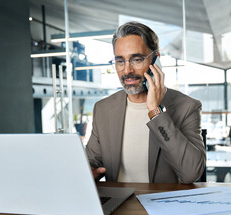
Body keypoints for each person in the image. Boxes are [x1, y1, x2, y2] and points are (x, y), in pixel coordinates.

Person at [86, 21, 205, 184]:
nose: (127, 71)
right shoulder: (103, 109)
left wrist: (155, 111)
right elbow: (92, 163)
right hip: (119, 206)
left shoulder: (187, 107)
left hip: (164, 206)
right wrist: (88, 173)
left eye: (136, 60)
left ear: (155, 60)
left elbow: (191, 173)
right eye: (120, 61)